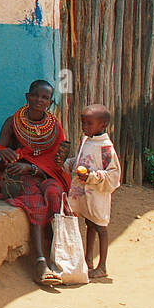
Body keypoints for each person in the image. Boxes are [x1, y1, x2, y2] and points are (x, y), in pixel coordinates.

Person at [0, 79, 72, 284]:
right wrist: (1, 154)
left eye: (45, 98)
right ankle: (40, 262)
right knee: (35, 200)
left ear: (50, 102)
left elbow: (57, 163)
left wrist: (33, 167)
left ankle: (60, 254)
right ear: (27, 97)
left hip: (45, 175)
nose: (39, 100)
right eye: (36, 95)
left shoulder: (54, 127)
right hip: (20, 176)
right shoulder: (12, 122)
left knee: (55, 194)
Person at [64, 104, 121, 279]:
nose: (84, 127)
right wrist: (68, 163)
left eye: (89, 124)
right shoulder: (86, 140)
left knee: (100, 227)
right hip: (84, 194)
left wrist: (92, 176)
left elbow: (113, 175)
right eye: (83, 123)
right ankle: (88, 259)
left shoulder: (106, 148)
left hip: (97, 195)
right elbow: (81, 159)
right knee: (89, 223)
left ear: (102, 125)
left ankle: (102, 266)